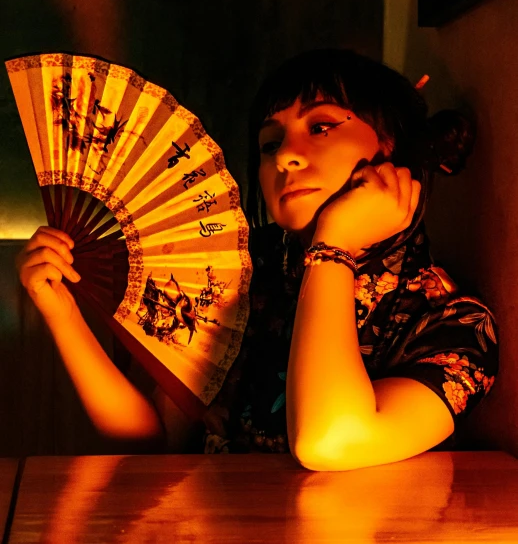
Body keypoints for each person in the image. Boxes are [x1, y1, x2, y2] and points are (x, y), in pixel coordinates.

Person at [16, 48, 498, 469]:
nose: (286, 155)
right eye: (270, 143)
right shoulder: (238, 270)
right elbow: (152, 442)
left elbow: (329, 442)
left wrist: (333, 247)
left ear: (391, 150)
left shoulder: (452, 325)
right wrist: (62, 314)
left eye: (322, 126)